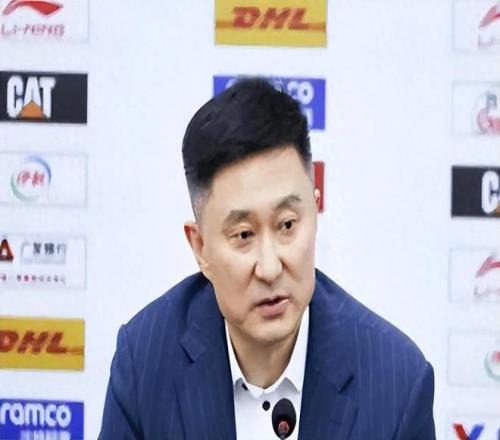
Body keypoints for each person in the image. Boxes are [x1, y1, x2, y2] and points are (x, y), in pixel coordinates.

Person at [99, 78, 436, 440]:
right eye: (244, 235)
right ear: (200, 248)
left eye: (287, 225)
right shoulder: (145, 363)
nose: (271, 268)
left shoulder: (396, 384)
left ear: (315, 212)